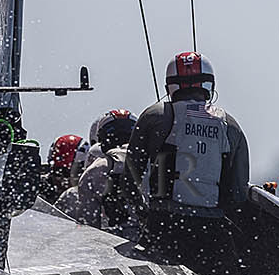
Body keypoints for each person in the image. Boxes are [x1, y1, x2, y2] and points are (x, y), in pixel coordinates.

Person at [125, 53, 251, 212]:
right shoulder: (231, 125)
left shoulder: (154, 115)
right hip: (214, 223)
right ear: (209, 84)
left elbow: (130, 177)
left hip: (164, 219)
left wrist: (141, 212)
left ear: (169, 87)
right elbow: (239, 191)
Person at [57, 109, 137, 229]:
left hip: (111, 243)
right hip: (153, 241)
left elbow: (88, 229)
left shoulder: (95, 170)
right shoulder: (155, 163)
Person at [44, 134, 85, 200]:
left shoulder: (91, 195)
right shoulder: (41, 190)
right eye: (56, 172)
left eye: (66, 173)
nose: (61, 179)